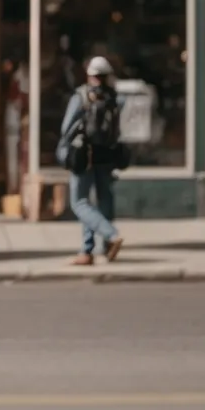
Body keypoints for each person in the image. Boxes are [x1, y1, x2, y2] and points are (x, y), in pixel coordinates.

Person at [57, 56, 125, 266]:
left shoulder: (81, 96)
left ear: (90, 75)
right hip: (106, 156)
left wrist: (64, 150)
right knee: (103, 200)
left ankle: (110, 235)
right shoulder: (115, 98)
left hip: (83, 157)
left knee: (80, 202)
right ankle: (93, 250)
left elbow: (66, 128)